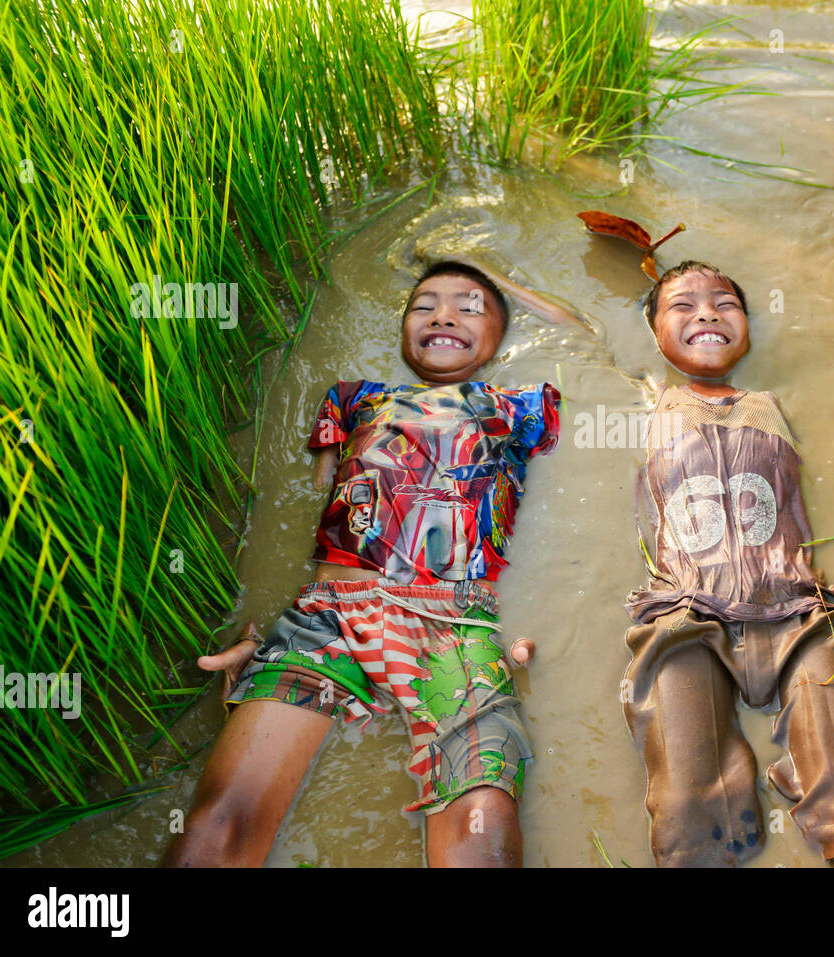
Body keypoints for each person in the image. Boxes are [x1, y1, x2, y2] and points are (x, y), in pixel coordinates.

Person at [163, 260, 559, 867]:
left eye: (469, 307)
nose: (444, 315)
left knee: (486, 832)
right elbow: (305, 510)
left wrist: (497, 278)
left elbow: (581, 329)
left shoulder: (521, 405)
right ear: (403, 331)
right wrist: (257, 627)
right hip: (324, 621)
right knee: (217, 824)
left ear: (500, 337)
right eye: (423, 305)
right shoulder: (354, 399)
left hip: (453, 626)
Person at [620, 218, 834, 866]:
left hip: (795, 607)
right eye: (683, 305)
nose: (707, 313)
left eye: (725, 303)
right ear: (652, 334)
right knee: (684, 804)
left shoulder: (773, 395)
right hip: (685, 615)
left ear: (750, 328)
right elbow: (573, 327)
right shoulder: (648, 396)